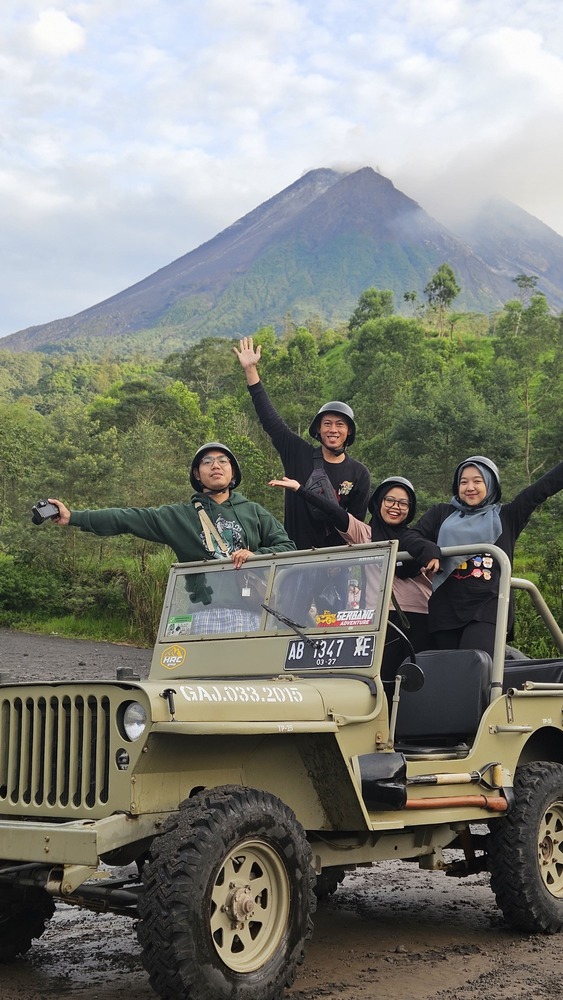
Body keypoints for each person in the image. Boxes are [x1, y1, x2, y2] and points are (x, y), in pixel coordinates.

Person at [46, 442, 296, 633]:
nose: (216, 466)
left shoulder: (253, 511)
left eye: (223, 461)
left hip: (253, 615)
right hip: (203, 616)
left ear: (233, 471)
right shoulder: (180, 516)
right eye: (207, 462)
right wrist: (74, 517)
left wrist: (256, 555)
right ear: (197, 474)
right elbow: (127, 517)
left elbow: (287, 547)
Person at [269, 473, 439, 672]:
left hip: (422, 615)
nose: (395, 507)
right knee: (385, 676)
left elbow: (432, 550)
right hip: (384, 618)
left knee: (418, 678)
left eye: (403, 503)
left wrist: (431, 553)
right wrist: (300, 489)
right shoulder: (365, 534)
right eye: (390, 500)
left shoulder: (417, 537)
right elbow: (334, 512)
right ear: (378, 502)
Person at [410, 455, 563, 657]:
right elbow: (411, 535)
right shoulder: (441, 513)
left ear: (490, 484)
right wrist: (428, 550)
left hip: (487, 608)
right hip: (445, 608)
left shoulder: (508, 516)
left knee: (476, 667)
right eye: (463, 482)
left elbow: (541, 489)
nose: (470, 487)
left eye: (477, 481)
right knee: (448, 673)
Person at [234, 336, 371, 550]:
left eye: (340, 425)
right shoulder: (299, 455)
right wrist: (251, 370)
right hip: (297, 559)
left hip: (337, 563)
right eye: (327, 423)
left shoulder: (359, 473)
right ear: (318, 428)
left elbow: (355, 527)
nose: (333, 430)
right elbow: (271, 421)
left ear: (349, 431)